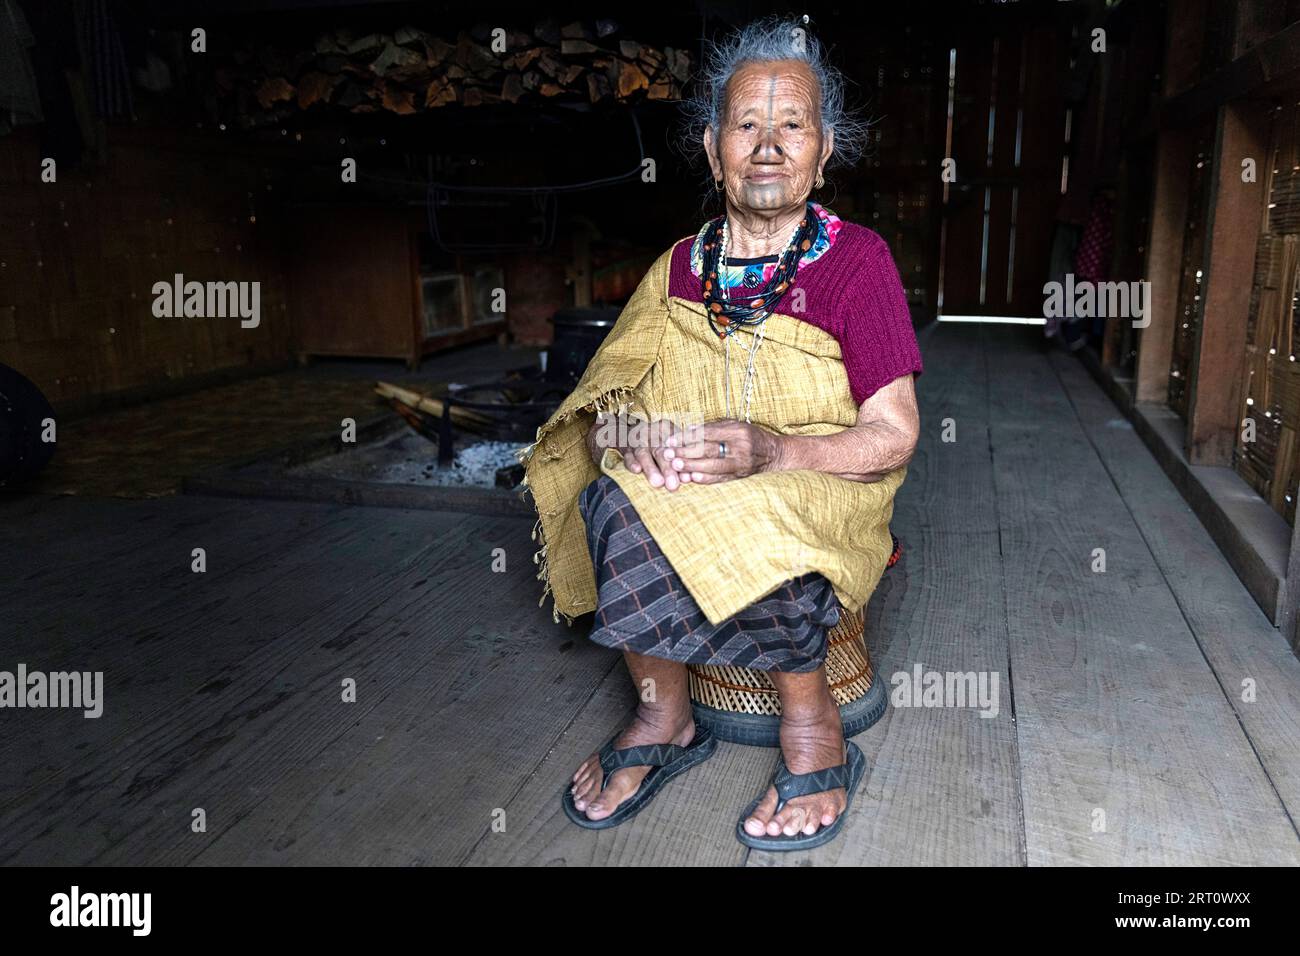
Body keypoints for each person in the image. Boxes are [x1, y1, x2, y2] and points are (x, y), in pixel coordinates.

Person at [519, 15, 922, 850]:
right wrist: (634, 436)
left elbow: (892, 434)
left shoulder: (857, 262)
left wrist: (776, 451)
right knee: (611, 500)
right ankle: (664, 718)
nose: (768, 145)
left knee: (763, 509)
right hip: (690, 481)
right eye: (747, 125)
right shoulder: (676, 267)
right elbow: (602, 406)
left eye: (791, 125)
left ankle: (812, 727)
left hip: (819, 480)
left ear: (824, 147)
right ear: (712, 149)